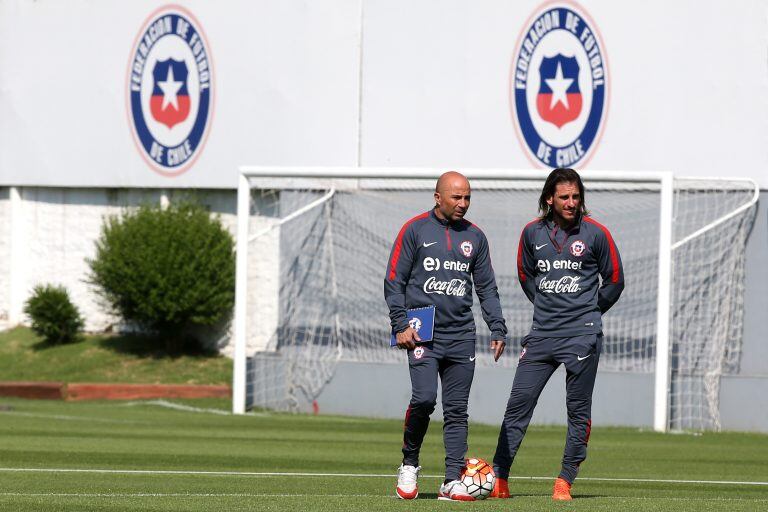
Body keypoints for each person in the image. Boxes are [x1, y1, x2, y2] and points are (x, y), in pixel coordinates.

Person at [490, 167, 624, 501]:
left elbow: (615, 280)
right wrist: (547, 304)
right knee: (518, 403)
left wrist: (589, 311)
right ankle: (500, 477)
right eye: (564, 197)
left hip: (582, 336)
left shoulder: (596, 234)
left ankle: (565, 480)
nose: (571, 202)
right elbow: (525, 274)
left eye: (576, 197)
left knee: (578, 410)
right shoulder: (532, 234)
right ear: (549, 198)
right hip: (542, 335)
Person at [384, 171, 508, 501]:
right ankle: (409, 463)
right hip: (421, 335)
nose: (463, 203)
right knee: (424, 399)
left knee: (457, 410)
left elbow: (486, 288)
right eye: (457, 197)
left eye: (467, 197)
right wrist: (400, 325)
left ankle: (452, 479)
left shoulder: (476, 238)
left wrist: (497, 326)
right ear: (438, 197)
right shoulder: (414, 230)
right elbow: (394, 282)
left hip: (462, 336)